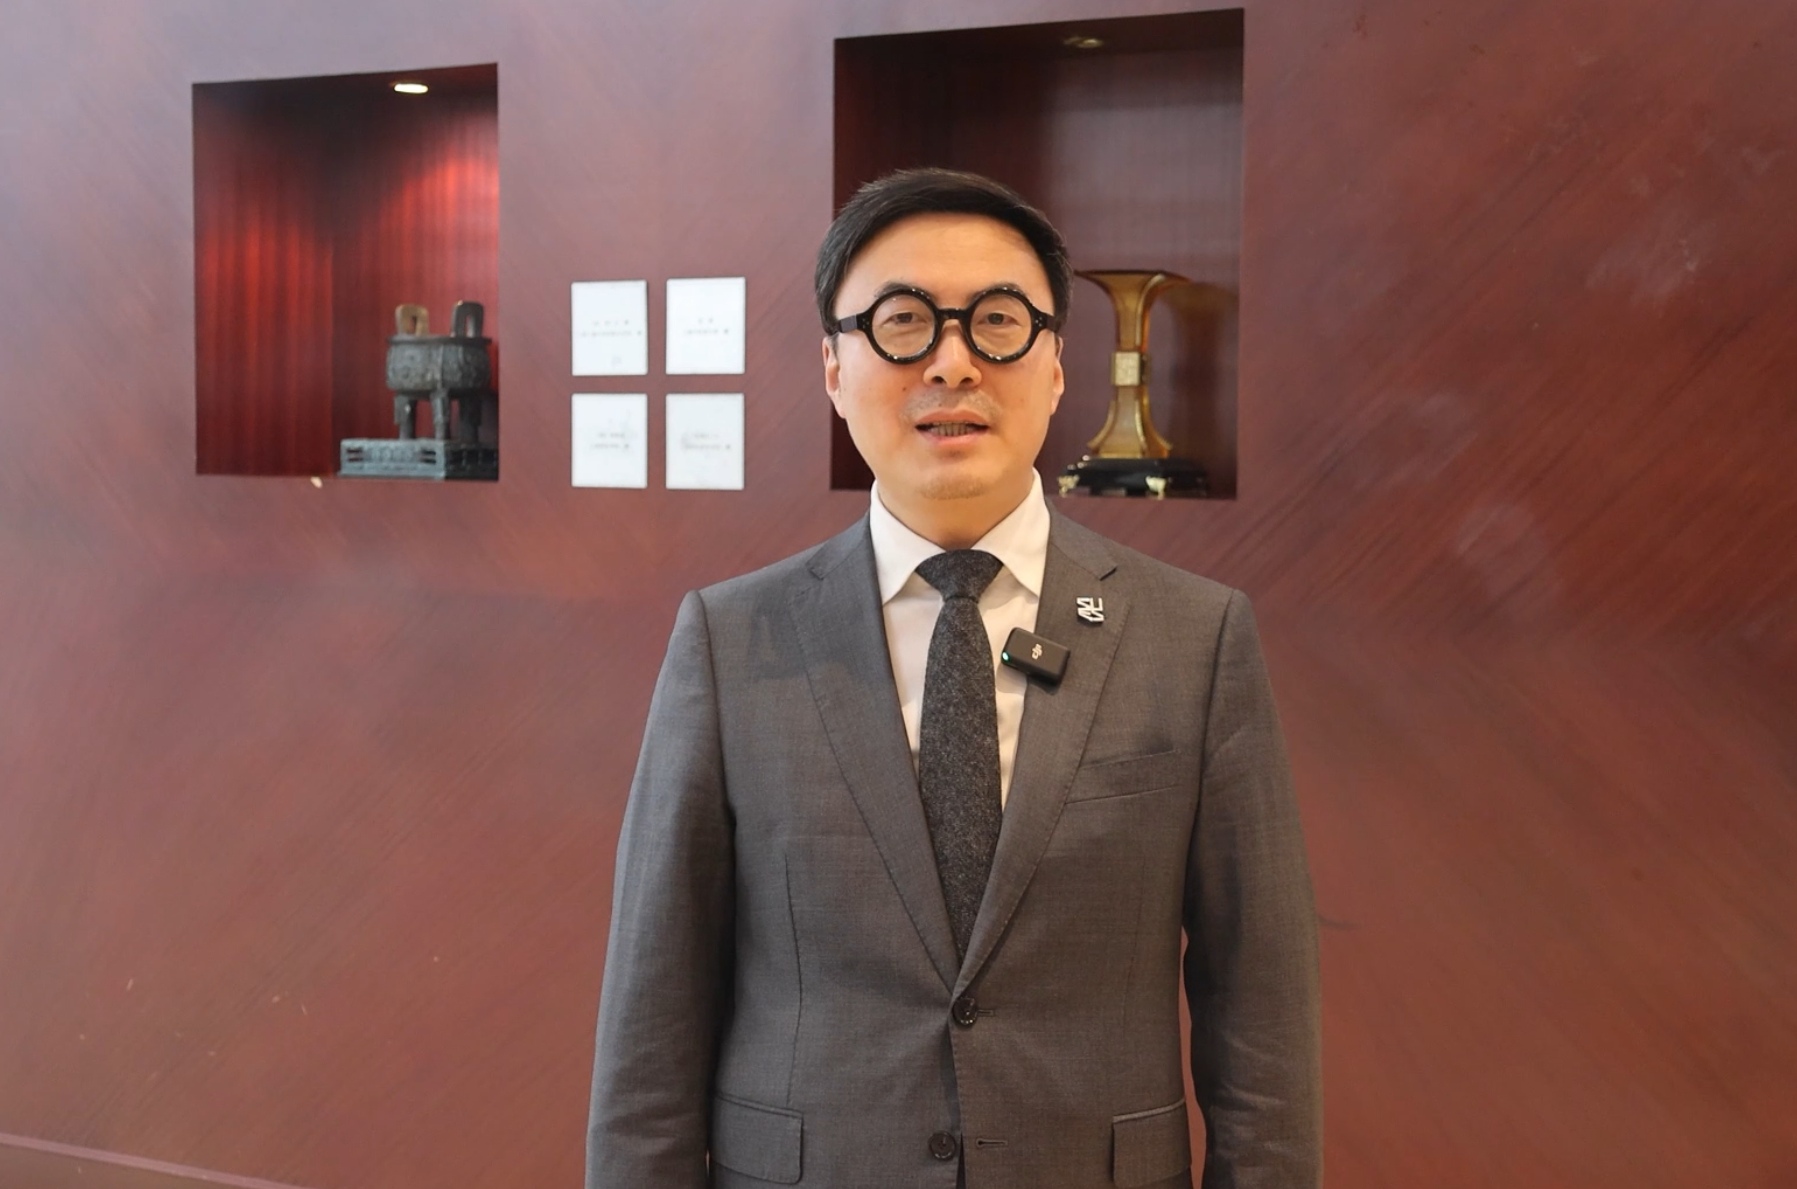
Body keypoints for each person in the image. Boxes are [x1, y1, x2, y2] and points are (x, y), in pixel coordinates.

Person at [586, 168, 1321, 1189]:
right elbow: (653, 1010)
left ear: (1056, 365)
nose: (952, 361)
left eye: (998, 322)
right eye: (902, 323)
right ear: (833, 367)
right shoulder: (729, 641)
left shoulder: (1194, 638)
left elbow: (1262, 1009)